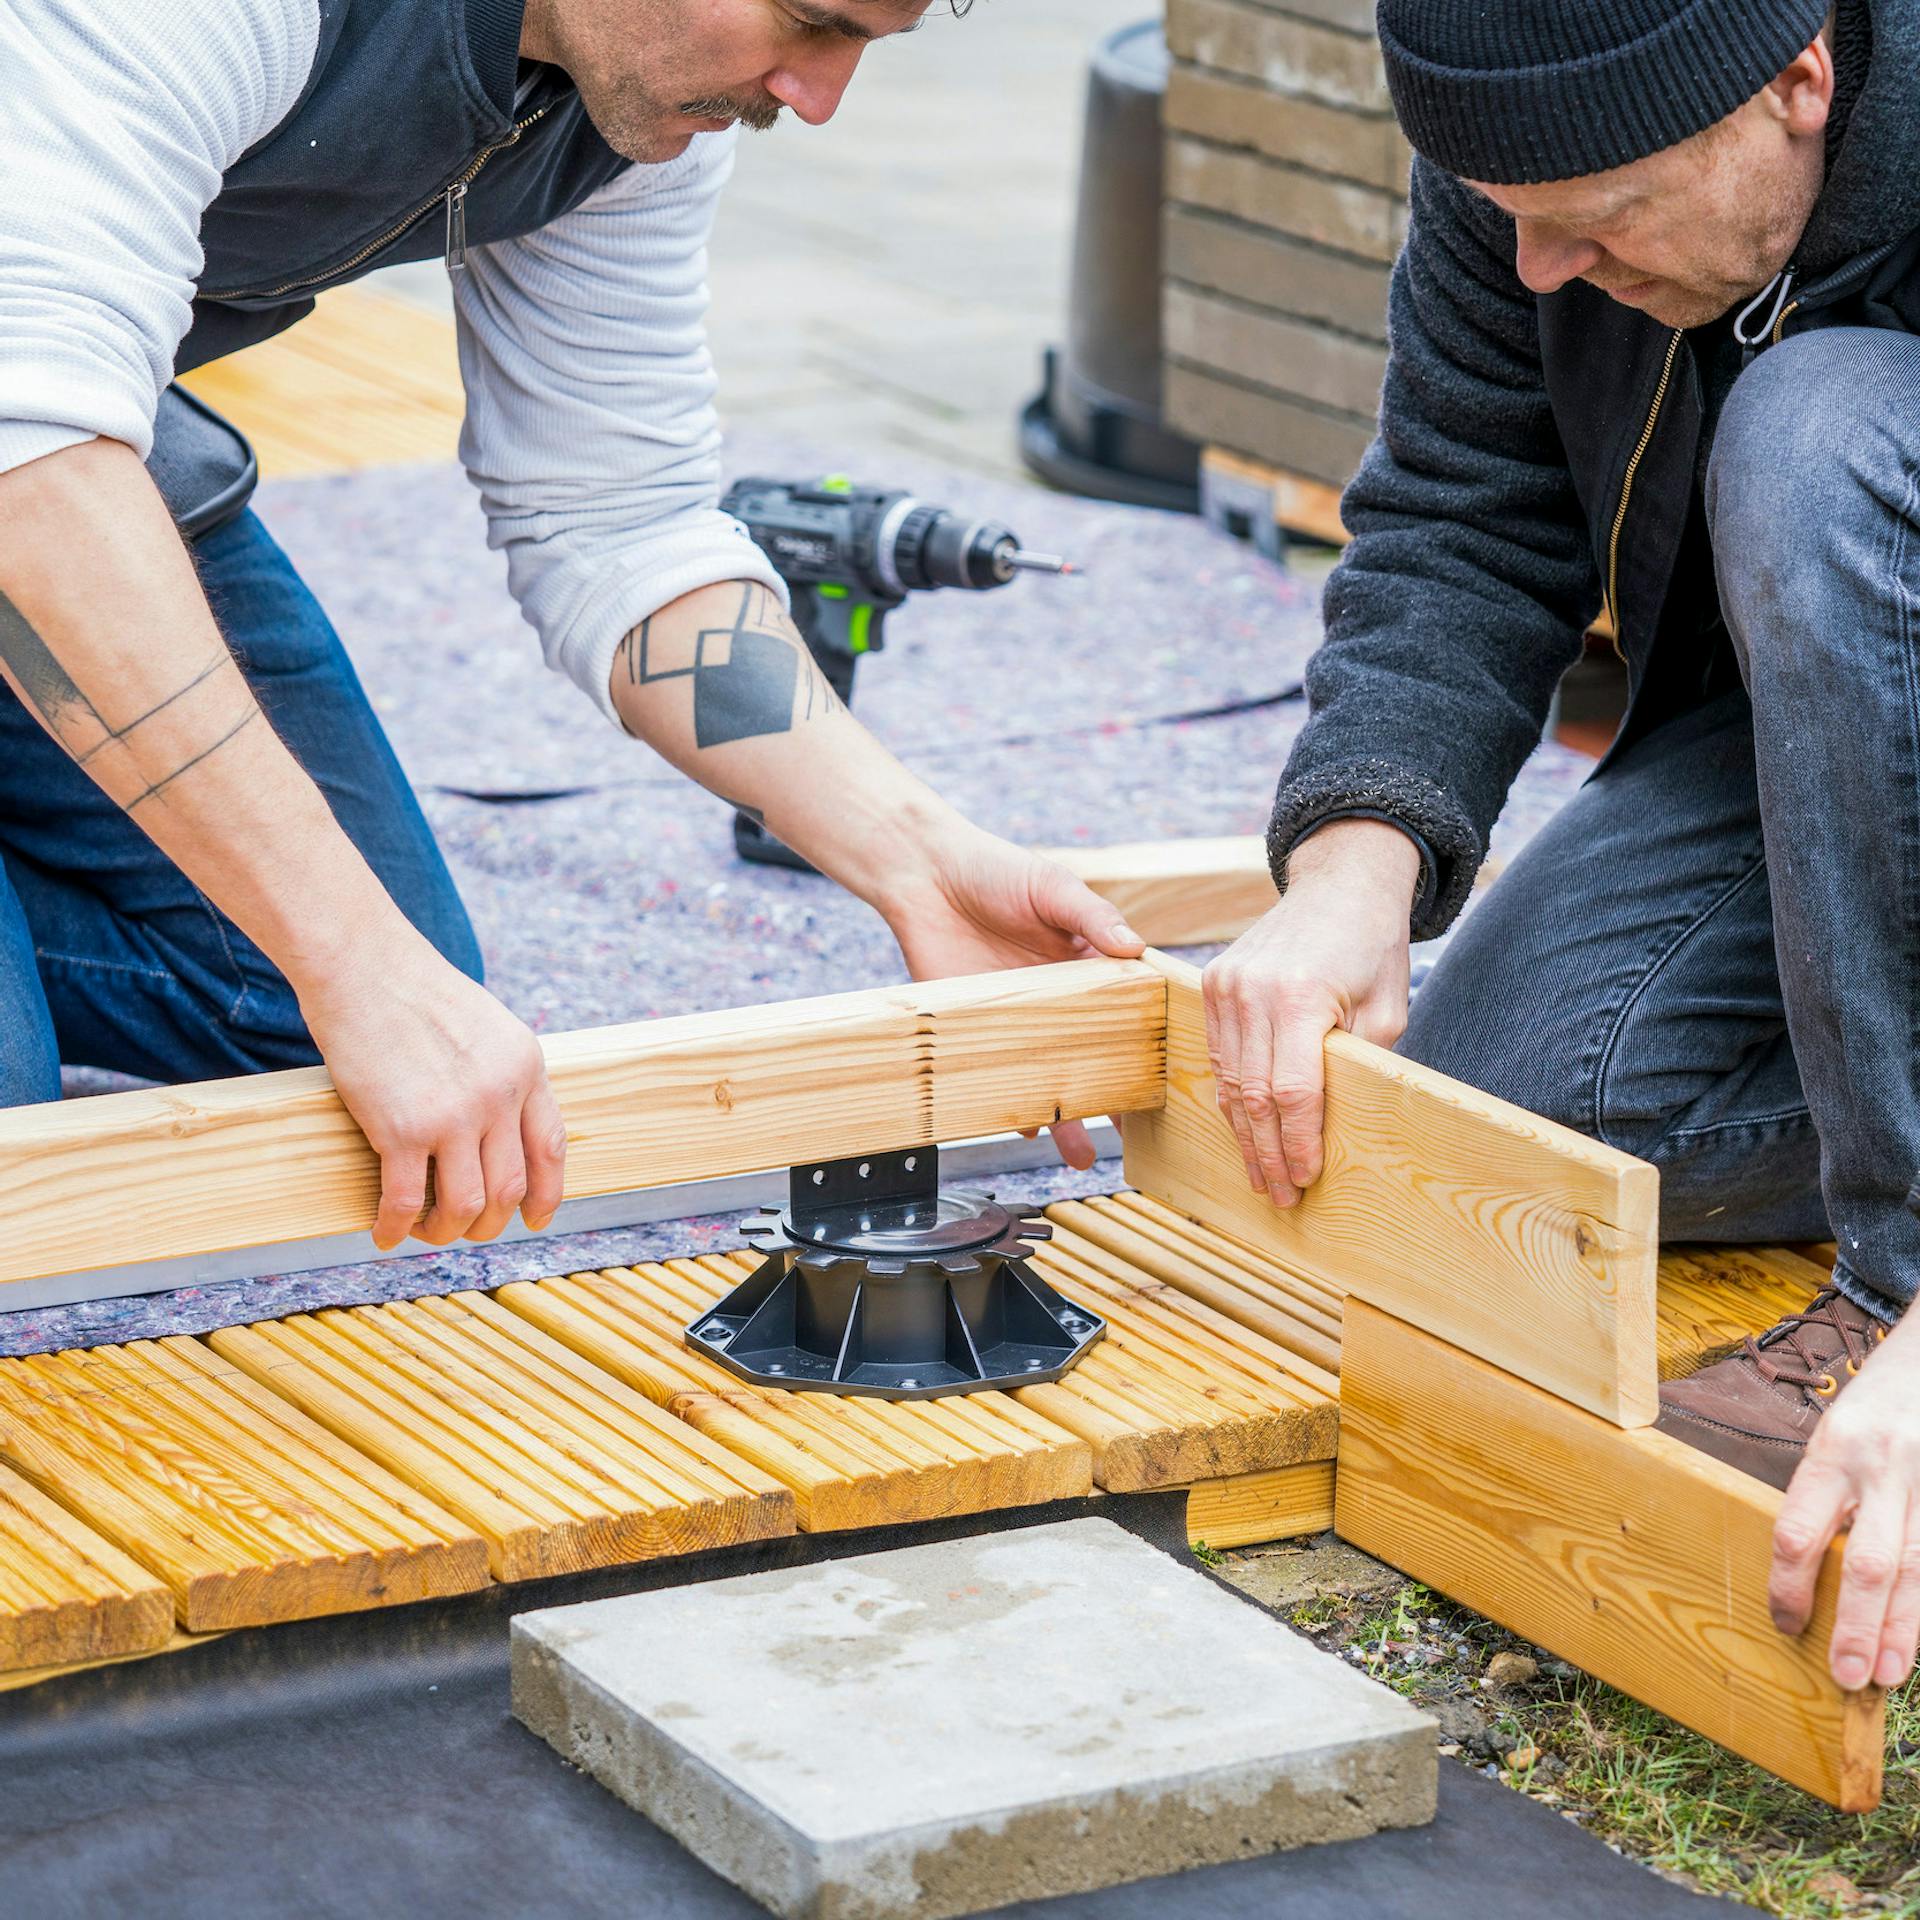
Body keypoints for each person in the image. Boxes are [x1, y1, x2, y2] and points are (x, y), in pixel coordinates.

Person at [0, 0, 1143, 1253]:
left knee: (317, 1011)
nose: (818, 96)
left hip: (65, 450)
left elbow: (616, 518)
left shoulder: (639, 94)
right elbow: (34, 465)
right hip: (38, 467)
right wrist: (352, 956)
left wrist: (914, 855)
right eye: (811, 22)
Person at [1204, 0, 1920, 1695]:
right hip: (1840, 725)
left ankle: (1893, 1290)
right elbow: (1463, 510)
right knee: (1523, 1129)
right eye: (1506, 212)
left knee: (1817, 437)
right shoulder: (1530, 154)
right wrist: (1354, 869)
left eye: (1600, 218)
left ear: (1801, 81)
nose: (1537, 269)